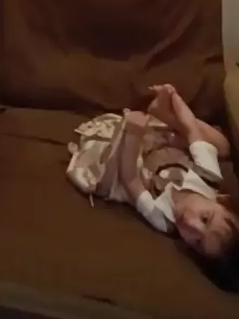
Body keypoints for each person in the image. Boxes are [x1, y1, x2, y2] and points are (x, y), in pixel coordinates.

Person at [68, 85, 239, 262]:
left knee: (110, 177)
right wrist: (175, 98)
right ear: (221, 200)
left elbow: (130, 180)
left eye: (197, 241)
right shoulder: (210, 177)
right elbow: (191, 129)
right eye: (204, 218)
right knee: (222, 145)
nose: (189, 223)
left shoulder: (163, 219)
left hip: (137, 163)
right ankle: (164, 114)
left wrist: (133, 135)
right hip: (167, 149)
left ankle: (155, 121)